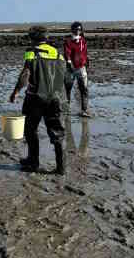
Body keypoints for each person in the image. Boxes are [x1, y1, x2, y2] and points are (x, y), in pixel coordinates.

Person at [8, 26, 67, 175]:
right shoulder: (58, 54)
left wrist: (15, 92)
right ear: (46, 38)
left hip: (35, 97)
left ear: (33, 39)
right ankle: (61, 167)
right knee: (57, 132)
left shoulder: (31, 52)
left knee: (30, 129)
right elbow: (63, 74)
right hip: (55, 98)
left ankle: (33, 162)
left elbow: (26, 74)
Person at [63, 21, 91, 117]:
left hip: (81, 68)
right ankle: (66, 109)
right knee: (67, 89)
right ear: (72, 30)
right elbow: (67, 53)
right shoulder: (68, 41)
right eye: (76, 29)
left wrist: (87, 61)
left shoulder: (83, 40)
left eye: (79, 29)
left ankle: (84, 110)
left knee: (84, 89)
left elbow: (85, 52)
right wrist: (69, 62)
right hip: (70, 69)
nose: (78, 31)